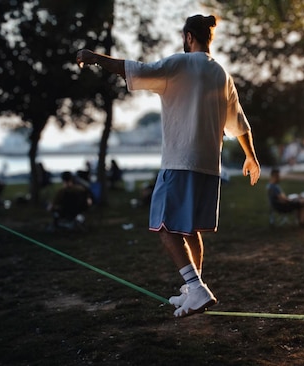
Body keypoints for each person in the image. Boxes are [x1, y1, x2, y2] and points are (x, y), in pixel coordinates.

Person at [76, 14, 261, 318]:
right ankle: (192, 290)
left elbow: (134, 69)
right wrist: (251, 157)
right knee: (189, 230)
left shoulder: (180, 64)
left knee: (164, 226)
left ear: (189, 37)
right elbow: (241, 123)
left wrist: (95, 57)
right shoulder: (221, 74)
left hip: (180, 161)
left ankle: (197, 288)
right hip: (208, 166)